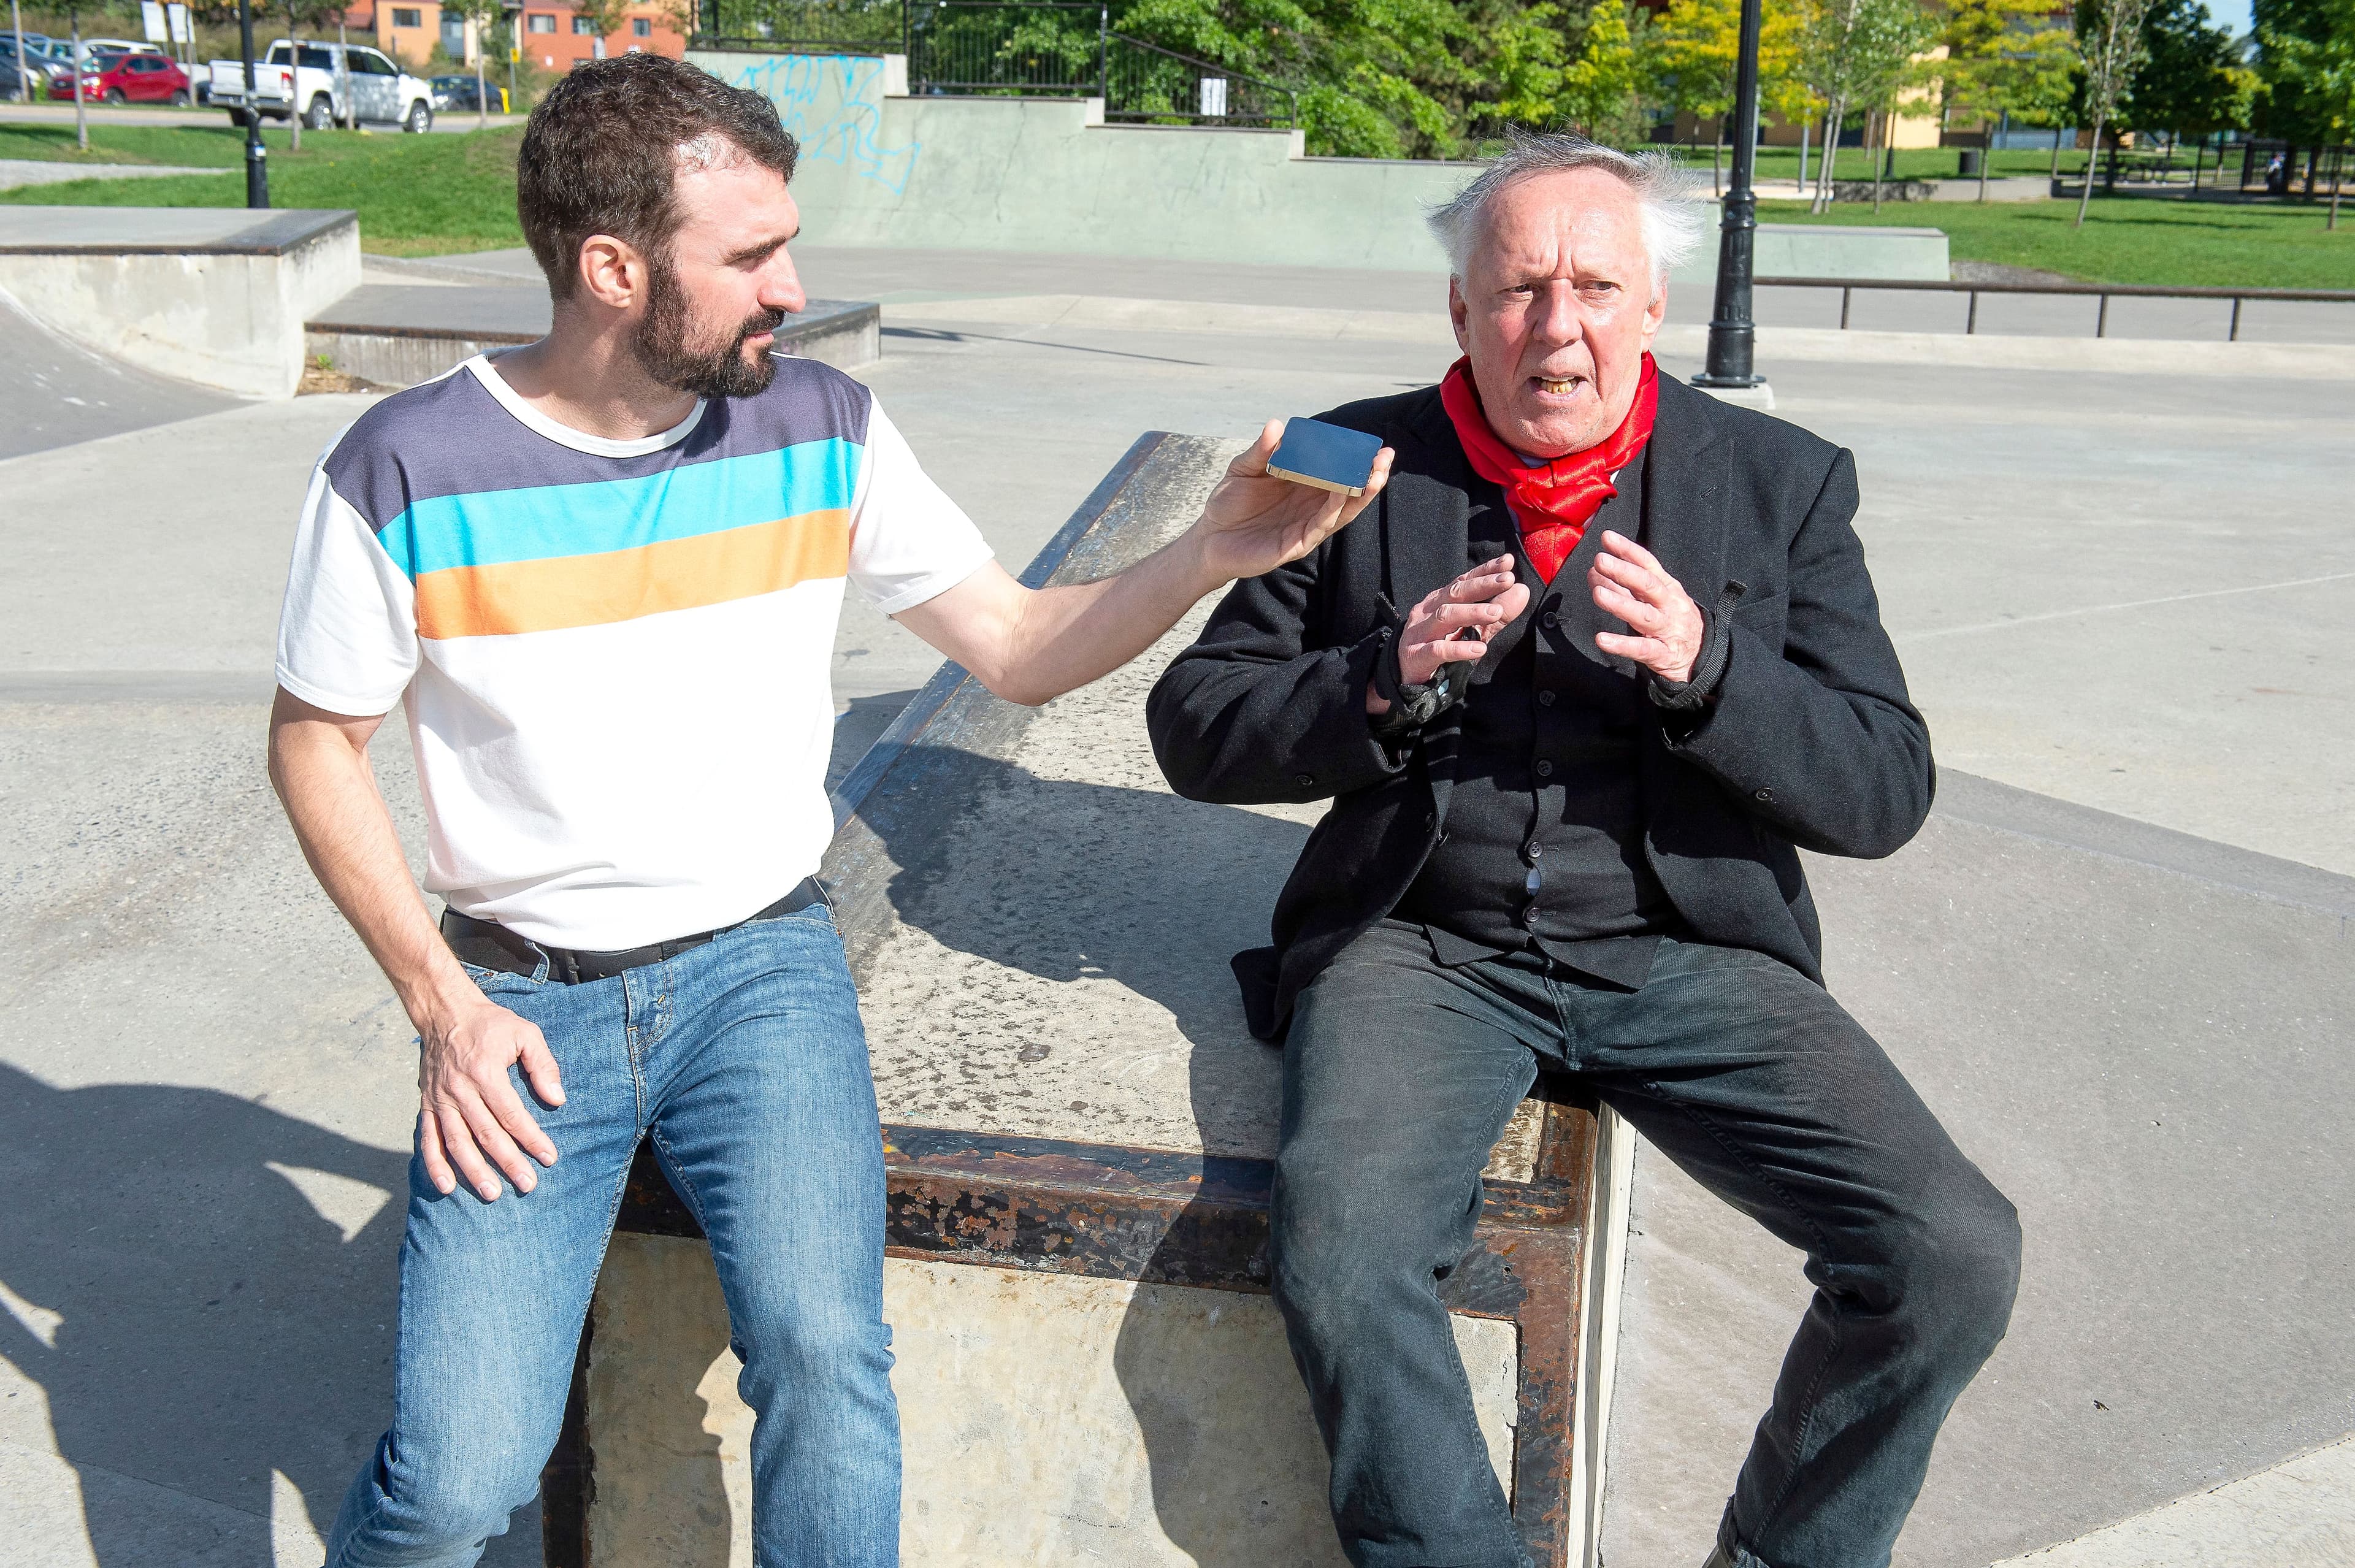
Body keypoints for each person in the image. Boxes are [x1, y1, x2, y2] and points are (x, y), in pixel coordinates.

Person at [267, 53, 1389, 1567]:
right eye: (750, 256)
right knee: (458, 1479)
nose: (792, 285)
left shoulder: (823, 426)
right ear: (612, 270)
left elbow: (1018, 645)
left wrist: (1208, 552)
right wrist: (439, 1003)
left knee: (831, 1368)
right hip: (523, 1006)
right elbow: (317, 741)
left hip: (763, 972)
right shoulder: (403, 464)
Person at [1146, 131, 2021, 1568]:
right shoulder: (1341, 463)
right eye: (1519, 289)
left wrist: (1712, 672)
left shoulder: (1781, 481)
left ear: (1655, 310)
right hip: (1422, 944)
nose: (1559, 326)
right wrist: (1376, 678)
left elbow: (1884, 786)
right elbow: (1197, 724)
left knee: (1950, 1252)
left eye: (1597, 287)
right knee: (1345, 1249)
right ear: (1459, 310)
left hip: (1685, 946)